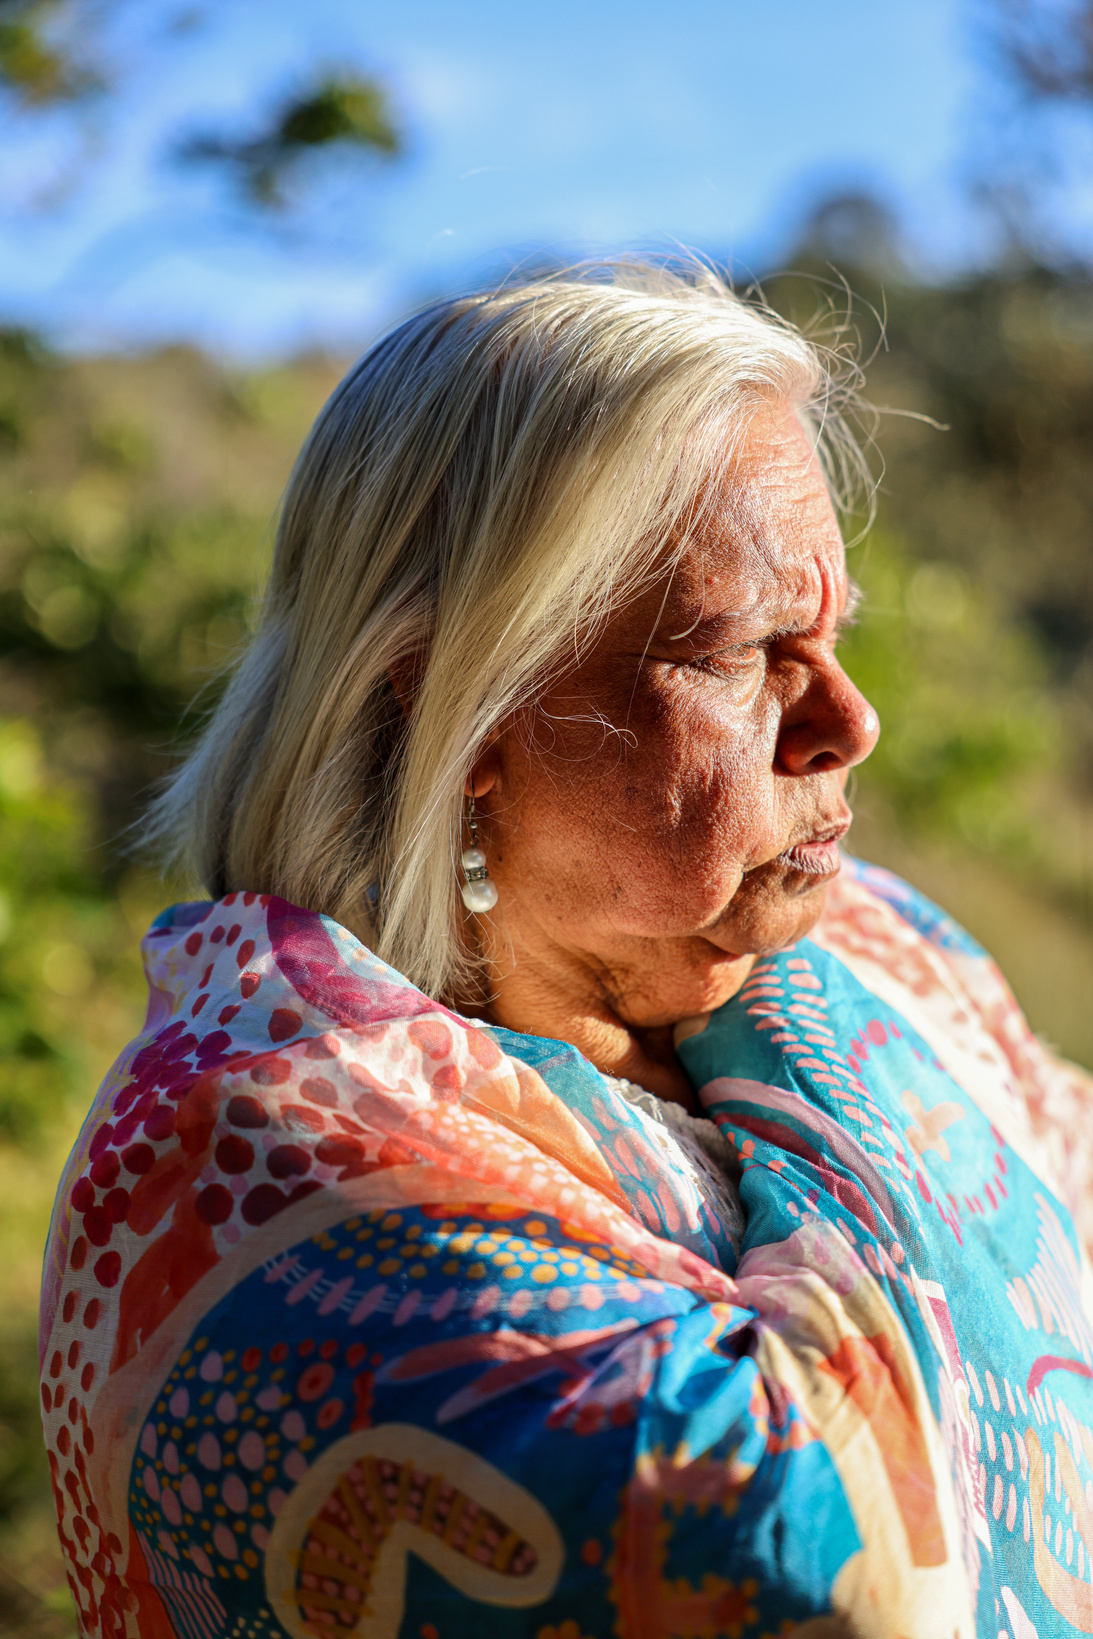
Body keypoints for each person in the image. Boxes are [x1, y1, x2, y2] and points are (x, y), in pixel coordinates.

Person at [40, 262, 1093, 1639]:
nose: (847, 719)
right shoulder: (247, 1153)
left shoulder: (881, 941)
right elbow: (833, 1571)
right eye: (739, 653)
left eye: (829, 636)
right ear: (461, 707)